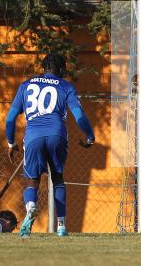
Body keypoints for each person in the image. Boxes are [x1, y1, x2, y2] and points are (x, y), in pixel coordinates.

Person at [5, 53, 95, 238]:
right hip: (57, 135)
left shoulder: (25, 86)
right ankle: (61, 226)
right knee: (58, 178)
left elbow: (10, 118)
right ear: (61, 69)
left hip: (33, 137)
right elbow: (79, 116)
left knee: (32, 180)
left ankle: (30, 209)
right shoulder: (66, 86)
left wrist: (10, 142)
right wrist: (90, 136)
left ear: (44, 68)